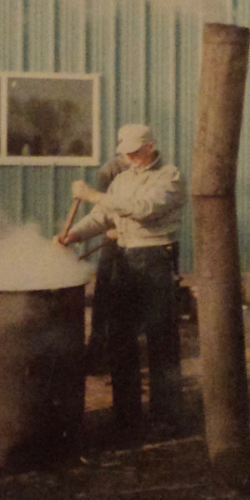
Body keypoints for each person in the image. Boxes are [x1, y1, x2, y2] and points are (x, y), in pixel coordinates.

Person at [57, 124, 186, 440]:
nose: (129, 156)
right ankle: (126, 416)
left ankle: (166, 416)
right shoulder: (122, 179)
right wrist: (74, 234)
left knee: (160, 337)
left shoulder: (170, 177)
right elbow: (103, 217)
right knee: (119, 338)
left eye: (134, 150)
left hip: (156, 256)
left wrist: (93, 195)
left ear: (150, 146)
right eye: (125, 152)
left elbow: (143, 210)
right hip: (125, 258)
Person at [83, 153, 130, 376]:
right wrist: (111, 227)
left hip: (136, 239)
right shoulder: (110, 170)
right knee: (103, 295)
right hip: (113, 236)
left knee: (125, 298)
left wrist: (125, 227)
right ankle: (95, 352)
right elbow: (104, 204)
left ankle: (118, 352)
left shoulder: (153, 173)